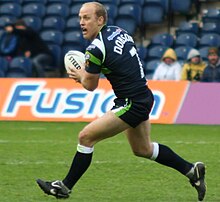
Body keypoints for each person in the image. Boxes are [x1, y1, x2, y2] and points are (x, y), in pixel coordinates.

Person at [36, 2, 206, 201]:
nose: (82, 22)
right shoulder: (119, 31)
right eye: (80, 18)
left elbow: (90, 86)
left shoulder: (95, 48)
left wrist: (81, 74)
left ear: (100, 20)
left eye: (87, 18)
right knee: (143, 149)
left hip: (131, 102)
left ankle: (64, 186)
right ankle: (191, 171)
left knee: (86, 137)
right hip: (143, 95)